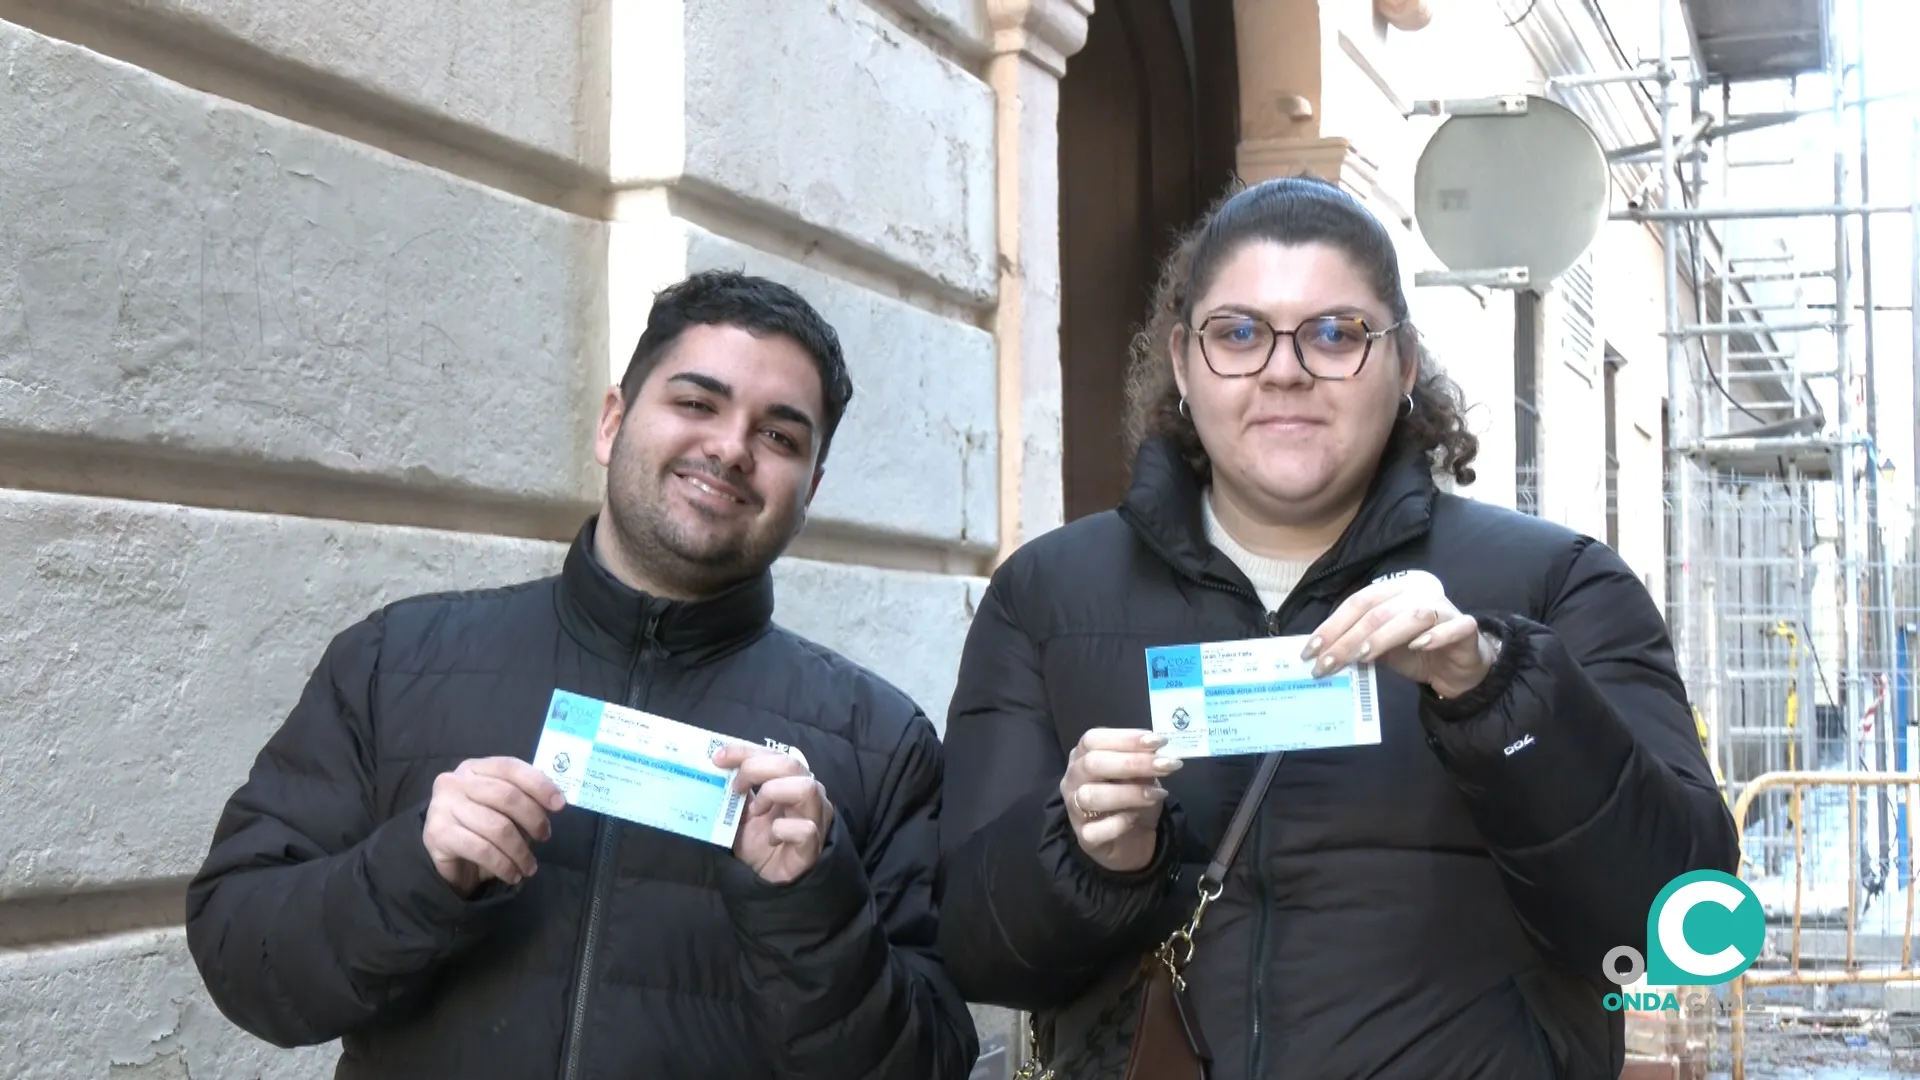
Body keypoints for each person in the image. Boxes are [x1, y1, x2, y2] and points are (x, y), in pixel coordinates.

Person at [935, 177, 1741, 1079]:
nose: (1285, 368)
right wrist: (1085, 857)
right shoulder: (1047, 597)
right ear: (1183, 362)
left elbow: (1680, 922)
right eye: (1239, 333)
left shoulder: (1556, 583)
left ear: (1402, 366)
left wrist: (1495, 692)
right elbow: (978, 953)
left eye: (1335, 333)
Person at [186, 270, 981, 1079]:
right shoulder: (400, 659)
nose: (732, 449)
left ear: (809, 491)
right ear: (612, 422)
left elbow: (929, 1064)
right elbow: (240, 958)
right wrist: (413, 870)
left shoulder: (880, 744)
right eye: (697, 403)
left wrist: (809, 903)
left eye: (779, 436)